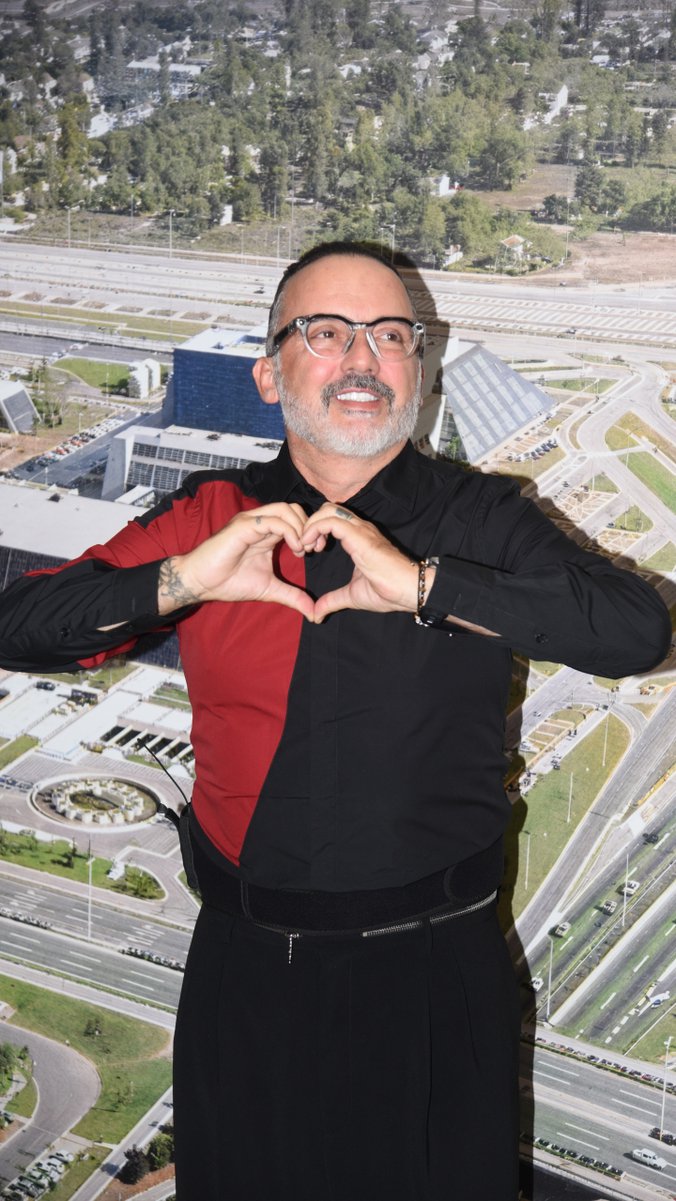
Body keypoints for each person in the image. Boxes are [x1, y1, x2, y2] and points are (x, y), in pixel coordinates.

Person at [0, 242, 670, 1201]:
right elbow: (20, 625)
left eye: (389, 335)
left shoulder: (482, 518)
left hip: (435, 976)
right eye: (325, 332)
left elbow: (637, 631)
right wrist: (181, 580)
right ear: (270, 374)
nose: (362, 358)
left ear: (418, 369)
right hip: (245, 970)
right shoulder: (211, 514)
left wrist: (429, 587)